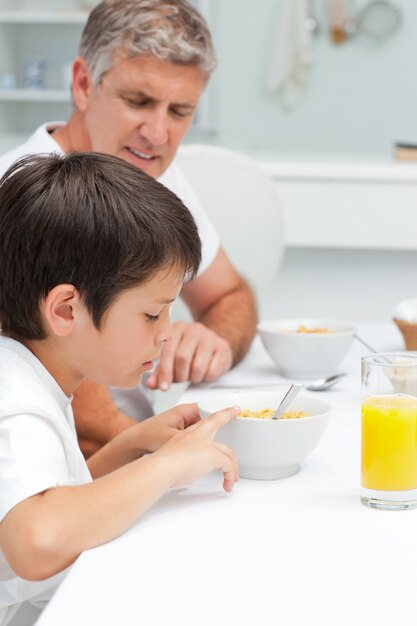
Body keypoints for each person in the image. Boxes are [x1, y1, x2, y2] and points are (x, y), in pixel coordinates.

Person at [0, 0, 257, 457]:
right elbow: (91, 425)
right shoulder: (32, 198)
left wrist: (211, 337)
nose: (157, 134)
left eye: (179, 112)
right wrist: (180, 458)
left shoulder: (150, 174)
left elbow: (231, 297)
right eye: (138, 102)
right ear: (83, 84)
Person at [0, 152, 239, 625]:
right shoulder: (15, 400)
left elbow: (53, 495)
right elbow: (36, 539)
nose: (167, 331)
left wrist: (133, 445)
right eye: (152, 313)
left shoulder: (33, 372)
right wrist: (166, 468)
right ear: (66, 310)